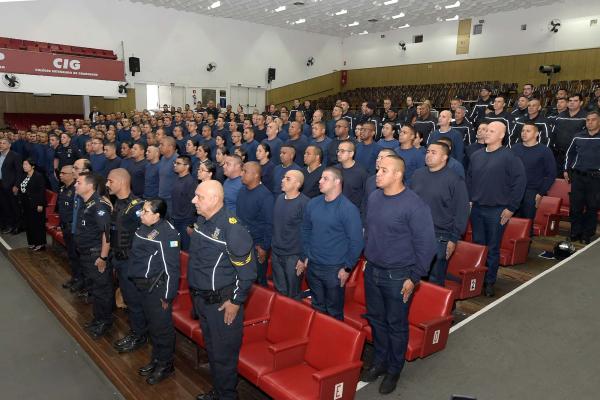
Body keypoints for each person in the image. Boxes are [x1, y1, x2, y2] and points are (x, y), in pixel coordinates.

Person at [361, 155, 436, 394]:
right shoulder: (374, 198)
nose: (378, 174)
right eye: (378, 169)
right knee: (376, 320)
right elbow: (370, 231)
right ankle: (380, 361)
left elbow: (427, 245)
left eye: (384, 170)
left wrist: (414, 277)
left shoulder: (414, 205)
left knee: (396, 324)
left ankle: (394, 369)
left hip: (398, 276)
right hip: (373, 270)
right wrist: (367, 257)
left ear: (398, 175)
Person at [189, 181, 257, 400]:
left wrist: (236, 302)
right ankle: (219, 391)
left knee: (224, 355)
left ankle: (227, 395)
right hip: (202, 300)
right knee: (212, 350)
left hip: (222, 304)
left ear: (215, 199)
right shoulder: (202, 221)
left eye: (199, 197)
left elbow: (247, 273)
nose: (194, 200)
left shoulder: (233, 229)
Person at [466, 121, 526, 297]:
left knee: (492, 247)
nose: (486, 133)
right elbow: (469, 180)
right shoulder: (476, 155)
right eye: (486, 130)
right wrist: (469, 200)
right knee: (478, 246)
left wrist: (511, 207)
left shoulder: (509, 156)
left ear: (501, 135)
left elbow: (519, 182)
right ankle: (477, 280)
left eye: (491, 131)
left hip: (498, 210)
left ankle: (489, 282)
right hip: (477, 209)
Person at [129, 199, 180, 385]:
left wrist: (167, 296)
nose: (141, 214)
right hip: (142, 286)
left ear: (157, 215)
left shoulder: (168, 234)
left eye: (146, 211)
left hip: (157, 290)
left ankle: (166, 365)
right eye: (142, 210)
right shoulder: (144, 226)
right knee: (153, 327)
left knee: (162, 329)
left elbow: (172, 269)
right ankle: (157, 359)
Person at [301, 167, 364, 320]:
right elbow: (305, 230)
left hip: (334, 269)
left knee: (334, 313)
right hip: (313, 266)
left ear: (337, 182)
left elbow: (356, 242)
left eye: (325, 178)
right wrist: (307, 254)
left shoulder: (348, 209)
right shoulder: (313, 203)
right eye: (320, 178)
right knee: (317, 308)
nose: (320, 181)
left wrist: (347, 268)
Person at [411, 143, 470, 286]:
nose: (428, 155)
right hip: (415, 232)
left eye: (434, 152)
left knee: (435, 278)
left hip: (440, 235)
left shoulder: (454, 180)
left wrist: (454, 238)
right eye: (428, 151)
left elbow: (462, 210)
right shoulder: (418, 174)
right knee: (414, 276)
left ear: (444, 157)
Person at [105, 168, 147, 353]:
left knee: (134, 301)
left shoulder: (137, 207)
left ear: (122, 182)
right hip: (120, 260)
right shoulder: (118, 204)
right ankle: (136, 331)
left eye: (110, 181)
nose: (107, 184)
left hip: (132, 263)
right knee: (129, 300)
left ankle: (139, 335)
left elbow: (146, 238)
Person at [74, 172, 113, 339]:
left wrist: (103, 257)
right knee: (96, 290)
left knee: (102, 290)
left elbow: (107, 234)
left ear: (90, 186)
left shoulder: (99, 206)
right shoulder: (87, 203)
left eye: (79, 182)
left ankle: (105, 322)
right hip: (86, 255)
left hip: (96, 255)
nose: (75, 185)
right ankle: (98, 319)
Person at [271, 170, 310, 298]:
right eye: (283, 177)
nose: (283, 180)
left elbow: (309, 232)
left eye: (288, 179)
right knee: (280, 292)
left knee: (293, 295)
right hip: (276, 253)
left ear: (297, 184)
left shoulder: (305, 203)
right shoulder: (279, 199)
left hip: (293, 256)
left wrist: (303, 258)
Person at [564, 111, 600, 244]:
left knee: (592, 207)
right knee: (575, 207)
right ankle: (575, 232)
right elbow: (569, 154)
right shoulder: (578, 136)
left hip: (595, 179)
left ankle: (587, 234)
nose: (590, 122)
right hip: (578, 177)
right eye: (588, 120)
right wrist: (566, 169)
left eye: (593, 120)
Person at [511, 123, 556, 227]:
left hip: (532, 192)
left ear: (536, 134)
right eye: (523, 130)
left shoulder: (545, 151)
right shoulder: (514, 148)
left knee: (527, 224)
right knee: (510, 222)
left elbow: (551, 174)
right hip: (514, 190)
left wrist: (541, 193)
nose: (524, 133)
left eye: (528, 131)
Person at [236, 162, 274, 285]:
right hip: (241, 243)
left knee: (258, 282)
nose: (241, 174)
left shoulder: (265, 196)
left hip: (256, 247)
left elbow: (269, 224)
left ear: (256, 175)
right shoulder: (242, 191)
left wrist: (264, 247)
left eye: (245, 171)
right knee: (242, 279)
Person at [57, 165, 83, 291]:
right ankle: (75, 277)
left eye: (64, 173)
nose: (60, 175)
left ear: (72, 175)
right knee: (71, 255)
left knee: (77, 255)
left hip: (73, 228)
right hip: (65, 226)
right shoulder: (62, 189)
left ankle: (81, 281)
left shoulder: (76, 190)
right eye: (60, 173)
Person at [18, 158, 47, 251]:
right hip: (26, 204)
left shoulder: (38, 176)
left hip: (36, 204)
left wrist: (40, 204)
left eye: (26, 164)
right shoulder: (24, 175)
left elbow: (41, 191)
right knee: (29, 224)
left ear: (32, 166)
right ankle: (32, 242)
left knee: (37, 224)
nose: (24, 166)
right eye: (23, 164)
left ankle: (40, 243)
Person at [171, 155, 197, 251]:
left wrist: (191, 225)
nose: (175, 165)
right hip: (175, 219)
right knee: (174, 246)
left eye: (178, 163)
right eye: (175, 163)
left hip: (185, 222)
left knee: (185, 248)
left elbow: (194, 205)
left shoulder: (191, 182)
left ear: (187, 166)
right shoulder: (176, 179)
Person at [336, 140, 368, 210]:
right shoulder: (335, 170)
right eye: (338, 151)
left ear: (351, 154)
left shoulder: (361, 172)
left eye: (342, 151)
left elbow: (365, 196)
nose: (338, 154)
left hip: (352, 210)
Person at [0, 137, 23, 234]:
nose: (1, 144)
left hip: (11, 185)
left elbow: (19, 172)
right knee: (4, 206)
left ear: (9, 145)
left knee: (14, 206)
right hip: (1, 184)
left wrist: (16, 185)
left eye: (3, 143)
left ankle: (17, 226)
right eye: (0, 143)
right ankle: (8, 224)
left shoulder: (15, 156)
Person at [158, 137, 178, 215]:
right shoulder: (163, 158)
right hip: (161, 197)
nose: (159, 147)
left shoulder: (177, 160)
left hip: (171, 199)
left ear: (170, 147)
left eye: (162, 145)